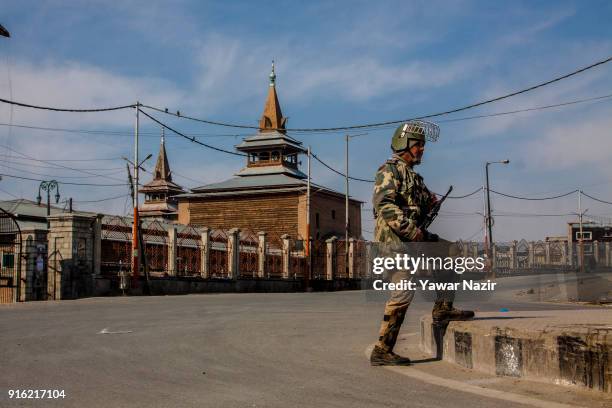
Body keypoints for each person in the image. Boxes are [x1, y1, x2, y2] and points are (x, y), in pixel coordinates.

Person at [370, 121, 474, 366]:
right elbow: (385, 206)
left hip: (412, 239)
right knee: (404, 291)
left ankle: (443, 307)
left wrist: (430, 201)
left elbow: (424, 200)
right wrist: (413, 232)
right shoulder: (389, 170)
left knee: (450, 251)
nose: (423, 150)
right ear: (405, 145)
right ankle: (382, 350)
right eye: (419, 145)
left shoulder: (413, 177)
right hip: (395, 243)